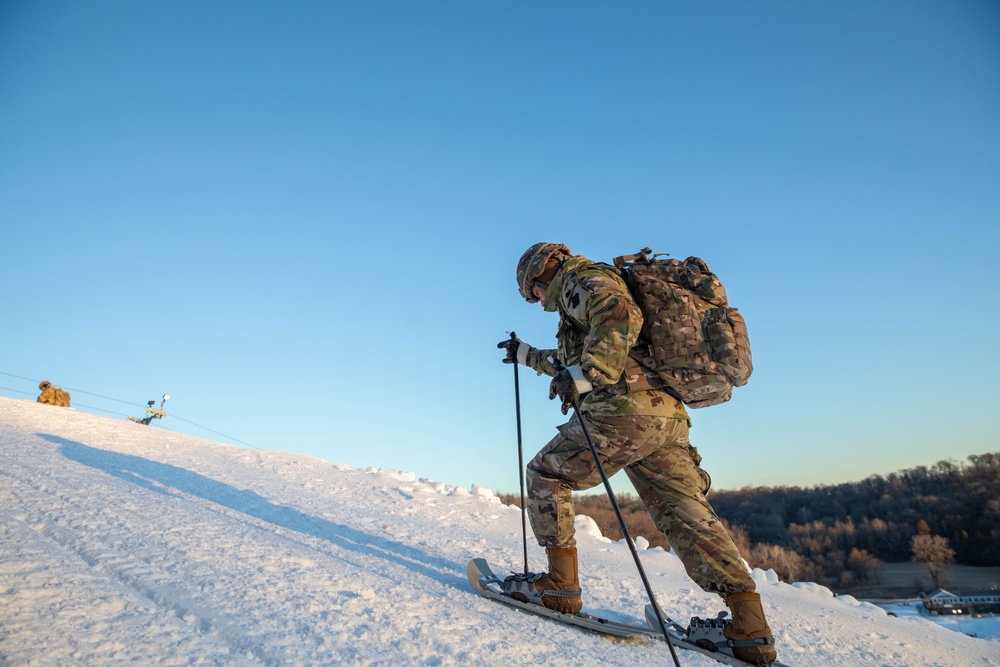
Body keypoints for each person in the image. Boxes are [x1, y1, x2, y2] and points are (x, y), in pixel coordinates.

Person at [498, 242, 776, 666]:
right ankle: (749, 628)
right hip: (664, 417)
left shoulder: (580, 279)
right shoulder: (591, 290)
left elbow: (618, 316)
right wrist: (527, 356)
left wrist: (588, 375)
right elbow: (583, 351)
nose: (537, 302)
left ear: (541, 275)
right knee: (685, 513)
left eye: (532, 293)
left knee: (546, 475)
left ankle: (559, 586)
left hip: (621, 413)